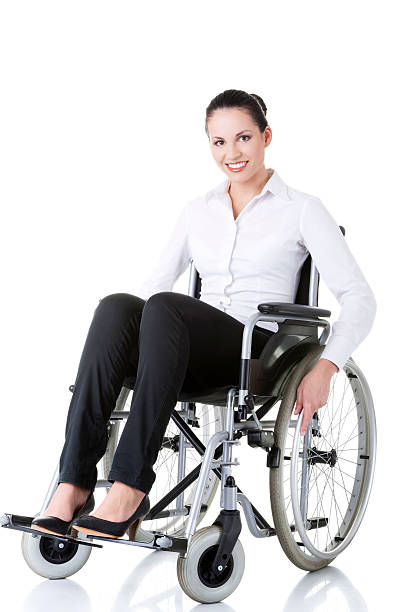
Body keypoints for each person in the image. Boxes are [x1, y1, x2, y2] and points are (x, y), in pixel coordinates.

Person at [31, 88, 377, 540]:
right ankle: (74, 483)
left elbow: (360, 297)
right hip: (183, 342)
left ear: (266, 137)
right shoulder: (198, 211)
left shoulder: (303, 210)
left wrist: (326, 367)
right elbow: (152, 288)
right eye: (219, 142)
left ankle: (129, 487)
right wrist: (123, 345)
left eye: (244, 138)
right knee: (115, 306)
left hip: (256, 349)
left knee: (166, 308)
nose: (231, 153)